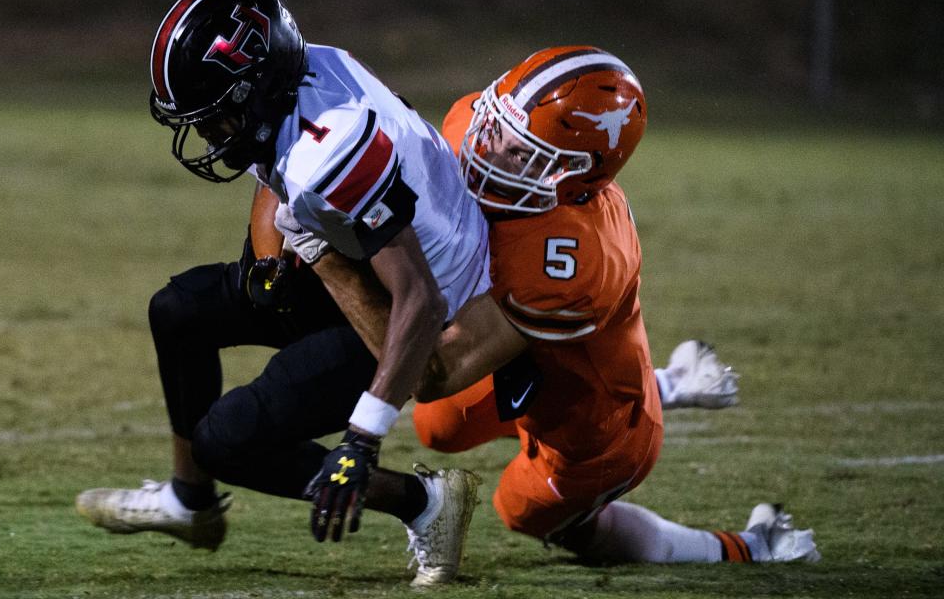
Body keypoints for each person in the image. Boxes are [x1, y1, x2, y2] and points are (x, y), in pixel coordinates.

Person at [328, 46, 818, 565]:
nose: (486, 152)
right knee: (436, 427)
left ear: (575, 176)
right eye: (494, 127)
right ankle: (673, 381)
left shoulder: (569, 259)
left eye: (520, 155)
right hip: (518, 360)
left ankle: (748, 548)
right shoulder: (475, 122)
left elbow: (435, 370)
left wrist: (335, 259)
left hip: (592, 415)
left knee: (523, 510)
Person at [76, 0, 488, 588]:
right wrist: (267, 258)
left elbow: (420, 301)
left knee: (227, 439)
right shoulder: (307, 70)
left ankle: (424, 502)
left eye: (217, 117)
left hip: (416, 303)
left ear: (258, 88)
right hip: (360, 251)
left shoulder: (334, 152)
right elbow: (274, 172)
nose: (212, 135)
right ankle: (191, 503)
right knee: (179, 309)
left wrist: (362, 440)